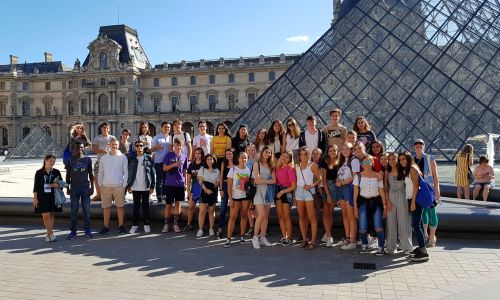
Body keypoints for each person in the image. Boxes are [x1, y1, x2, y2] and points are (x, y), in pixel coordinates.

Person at [353, 154, 387, 255]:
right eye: (364, 162)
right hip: (363, 202)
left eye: (368, 162)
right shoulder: (358, 176)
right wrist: (355, 208)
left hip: (376, 202)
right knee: (362, 226)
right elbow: (355, 193)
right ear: (362, 164)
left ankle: (380, 246)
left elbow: (381, 192)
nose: (366, 164)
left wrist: (384, 206)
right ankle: (364, 244)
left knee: (378, 225)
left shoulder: (378, 175)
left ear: (372, 163)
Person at [399, 151, 429, 262]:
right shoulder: (409, 169)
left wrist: (413, 203)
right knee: (418, 224)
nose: (402, 161)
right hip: (411, 198)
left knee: (415, 225)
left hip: (414, 199)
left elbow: (416, 187)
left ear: (409, 159)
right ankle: (421, 247)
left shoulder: (412, 169)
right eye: (400, 159)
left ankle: (423, 251)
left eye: (404, 159)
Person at [97, 138, 128, 235]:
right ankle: (105, 227)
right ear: (109, 145)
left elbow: (126, 172)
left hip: (118, 186)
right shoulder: (104, 158)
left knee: (120, 207)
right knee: (106, 207)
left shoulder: (123, 157)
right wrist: (100, 184)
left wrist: (124, 185)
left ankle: (121, 226)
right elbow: (100, 172)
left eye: (116, 144)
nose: (114, 146)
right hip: (106, 186)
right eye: (112, 144)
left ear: (118, 146)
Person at [413, 139, 440, 248]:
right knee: (423, 212)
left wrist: (437, 191)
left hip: (429, 189)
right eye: (416, 144)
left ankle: (432, 237)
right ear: (414, 146)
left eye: (421, 144)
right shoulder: (412, 159)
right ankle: (425, 234)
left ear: (424, 146)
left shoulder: (430, 158)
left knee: (431, 212)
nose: (418, 145)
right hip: (417, 189)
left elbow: (435, 176)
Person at [385, 152, 412, 255]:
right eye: (390, 159)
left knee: (403, 221)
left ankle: (406, 246)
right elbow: (385, 187)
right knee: (391, 222)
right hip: (391, 197)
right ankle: (391, 247)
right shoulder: (387, 172)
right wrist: (387, 201)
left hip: (402, 196)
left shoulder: (404, 170)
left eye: (394, 159)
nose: (392, 161)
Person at [66, 142, 94, 240]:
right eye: (77, 148)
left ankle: (87, 230)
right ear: (74, 148)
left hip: (85, 188)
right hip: (74, 188)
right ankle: (73, 231)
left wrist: (93, 187)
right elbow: (68, 174)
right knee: (74, 211)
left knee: (86, 210)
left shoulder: (88, 159)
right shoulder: (70, 160)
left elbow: (91, 174)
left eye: (81, 147)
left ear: (84, 148)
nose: (79, 149)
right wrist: (67, 187)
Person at [295, 146, 322, 250]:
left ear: (308, 155)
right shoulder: (296, 166)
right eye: (301, 154)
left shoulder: (313, 165)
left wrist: (311, 185)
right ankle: (304, 239)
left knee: (312, 217)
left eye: (305, 154)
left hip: (309, 191)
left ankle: (313, 240)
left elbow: (319, 179)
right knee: (301, 216)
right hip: (298, 191)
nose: (303, 156)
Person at [224, 152, 252, 248]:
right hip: (235, 197)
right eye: (242, 157)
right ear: (238, 158)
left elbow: (250, 186)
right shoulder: (233, 169)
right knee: (233, 217)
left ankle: (242, 236)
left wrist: (251, 200)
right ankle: (228, 238)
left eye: (245, 158)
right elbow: (229, 185)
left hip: (245, 197)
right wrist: (230, 198)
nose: (244, 159)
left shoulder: (248, 170)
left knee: (244, 216)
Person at [127, 140, 155, 234]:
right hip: (135, 186)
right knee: (136, 206)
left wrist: (152, 186)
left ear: (143, 147)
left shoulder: (148, 158)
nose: (139, 147)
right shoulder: (131, 158)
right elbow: (128, 173)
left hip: (145, 186)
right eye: (137, 146)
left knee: (146, 206)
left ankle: (146, 224)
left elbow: (152, 172)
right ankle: (134, 225)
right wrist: (129, 185)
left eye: (141, 146)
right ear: (135, 147)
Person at [33, 154, 63, 242]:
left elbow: (61, 183)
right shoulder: (39, 172)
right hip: (42, 196)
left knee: (51, 214)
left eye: (54, 162)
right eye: (51, 161)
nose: (52, 163)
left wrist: (54, 184)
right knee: (45, 215)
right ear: (45, 160)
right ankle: (51, 233)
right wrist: (35, 198)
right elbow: (36, 186)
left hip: (53, 196)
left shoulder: (56, 172)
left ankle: (48, 234)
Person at [251, 145, 276, 249]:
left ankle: (263, 237)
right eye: (266, 152)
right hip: (258, 192)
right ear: (262, 153)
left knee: (265, 216)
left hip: (268, 192)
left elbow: (274, 180)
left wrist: (263, 180)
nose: (268, 154)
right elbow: (256, 180)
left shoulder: (271, 165)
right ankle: (255, 237)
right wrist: (267, 180)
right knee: (261, 215)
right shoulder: (257, 164)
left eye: (269, 152)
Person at [162, 138, 189, 233]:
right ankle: (166, 224)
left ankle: (175, 224)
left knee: (178, 204)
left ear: (182, 146)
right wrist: (173, 165)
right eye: (177, 145)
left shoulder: (184, 156)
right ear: (174, 146)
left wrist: (185, 183)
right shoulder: (168, 155)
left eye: (180, 145)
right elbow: (164, 168)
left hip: (180, 184)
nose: (178, 147)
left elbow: (185, 170)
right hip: (170, 183)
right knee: (168, 205)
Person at [338, 142, 360, 250]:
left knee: (351, 216)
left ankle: (352, 241)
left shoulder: (354, 160)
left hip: (349, 189)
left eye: (348, 149)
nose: (345, 151)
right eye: (343, 149)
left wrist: (342, 183)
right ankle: (347, 237)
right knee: (345, 215)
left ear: (352, 150)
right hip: (342, 189)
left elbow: (355, 177)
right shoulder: (343, 161)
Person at [274, 150, 296, 246]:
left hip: (286, 192)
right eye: (283, 156)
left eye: (287, 157)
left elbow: (293, 186)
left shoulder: (290, 168)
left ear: (290, 159)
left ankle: (289, 238)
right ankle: (284, 236)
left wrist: (282, 192)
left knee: (286, 216)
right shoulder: (277, 168)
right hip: (278, 191)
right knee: (280, 216)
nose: (284, 158)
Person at [320, 145, 340, 248]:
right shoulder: (324, 162)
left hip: (335, 188)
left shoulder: (339, 162)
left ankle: (326, 234)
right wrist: (327, 194)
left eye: (334, 150)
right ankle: (329, 236)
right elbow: (323, 180)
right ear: (328, 152)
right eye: (330, 150)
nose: (332, 152)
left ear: (337, 152)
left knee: (330, 212)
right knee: (326, 212)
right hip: (327, 187)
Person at [196, 154, 220, 237]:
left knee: (211, 211)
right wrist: (206, 190)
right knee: (202, 211)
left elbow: (217, 182)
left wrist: (213, 188)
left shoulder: (217, 170)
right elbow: (200, 181)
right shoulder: (202, 169)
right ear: (205, 160)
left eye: (211, 159)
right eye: (208, 159)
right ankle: (200, 229)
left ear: (214, 160)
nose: (210, 161)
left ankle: (211, 228)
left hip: (213, 191)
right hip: (204, 190)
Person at [92, 123, 116, 201]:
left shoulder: (112, 138)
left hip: (110, 161)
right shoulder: (97, 138)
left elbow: (115, 148)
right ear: (101, 128)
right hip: (100, 160)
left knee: (111, 178)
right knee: (96, 177)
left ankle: (111, 195)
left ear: (109, 129)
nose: (106, 129)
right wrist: (104, 151)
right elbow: (94, 150)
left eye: (107, 128)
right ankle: (99, 195)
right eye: (104, 128)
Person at [151, 122, 172, 203]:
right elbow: (151, 149)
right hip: (159, 162)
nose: (167, 129)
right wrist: (157, 147)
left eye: (168, 127)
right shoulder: (156, 138)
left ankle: (164, 194)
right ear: (161, 128)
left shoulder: (171, 138)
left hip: (168, 163)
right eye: (165, 127)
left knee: (166, 180)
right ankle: (159, 196)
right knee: (159, 180)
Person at [185, 147, 205, 231]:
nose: (197, 155)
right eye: (196, 153)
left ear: (201, 154)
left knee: (202, 208)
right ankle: (188, 224)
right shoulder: (191, 164)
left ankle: (201, 227)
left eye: (199, 153)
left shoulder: (204, 164)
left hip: (203, 187)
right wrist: (188, 190)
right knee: (191, 207)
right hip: (194, 187)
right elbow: (188, 178)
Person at [217, 149, 235, 239]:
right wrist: (220, 189)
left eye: (230, 154)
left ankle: (232, 228)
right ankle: (220, 228)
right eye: (227, 154)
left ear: (233, 154)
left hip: (234, 187)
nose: (228, 155)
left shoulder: (236, 164)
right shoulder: (223, 163)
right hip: (224, 185)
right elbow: (220, 176)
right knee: (223, 207)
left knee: (234, 207)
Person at [245, 144, 257, 236]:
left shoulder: (258, 161)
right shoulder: (244, 161)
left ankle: (258, 227)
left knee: (256, 208)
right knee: (249, 208)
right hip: (248, 187)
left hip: (256, 186)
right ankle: (252, 226)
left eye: (252, 150)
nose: (250, 152)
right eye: (248, 150)